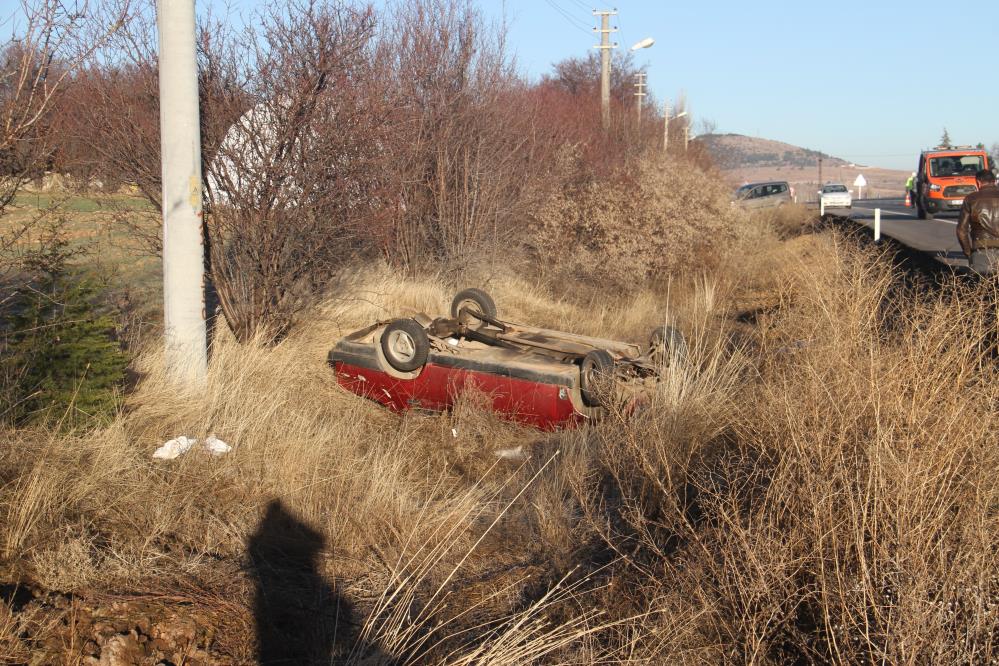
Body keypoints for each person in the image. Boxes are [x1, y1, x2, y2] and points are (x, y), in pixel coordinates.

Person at [956, 169, 999, 274]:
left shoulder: (971, 199)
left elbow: (961, 231)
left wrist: (968, 252)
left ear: (978, 182)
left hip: (981, 250)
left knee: (981, 282)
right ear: (994, 181)